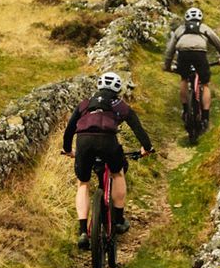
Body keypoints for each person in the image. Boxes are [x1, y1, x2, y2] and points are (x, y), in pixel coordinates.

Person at [60, 71, 153, 246]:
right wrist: (147, 148)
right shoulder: (120, 105)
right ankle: (118, 220)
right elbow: (137, 128)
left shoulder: (85, 104)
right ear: (118, 89)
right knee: (117, 173)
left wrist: (67, 150)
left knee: (83, 183)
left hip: (83, 141)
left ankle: (82, 232)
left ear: (99, 86)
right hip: (108, 141)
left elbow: (70, 129)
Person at [163, 7, 220, 124]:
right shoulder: (204, 28)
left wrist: (167, 65)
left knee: (184, 79)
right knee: (205, 84)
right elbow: (219, 44)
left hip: (183, 53)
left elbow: (170, 49)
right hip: (200, 53)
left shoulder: (180, 29)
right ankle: (206, 117)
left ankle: (185, 110)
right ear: (201, 18)